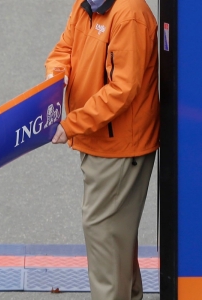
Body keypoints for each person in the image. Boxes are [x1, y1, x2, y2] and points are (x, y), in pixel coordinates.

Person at [46, 0, 159, 299]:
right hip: (101, 140)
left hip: (120, 146)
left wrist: (73, 123)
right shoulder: (85, 6)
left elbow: (123, 88)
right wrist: (56, 78)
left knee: (103, 235)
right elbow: (63, 51)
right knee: (114, 239)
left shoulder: (129, 14)